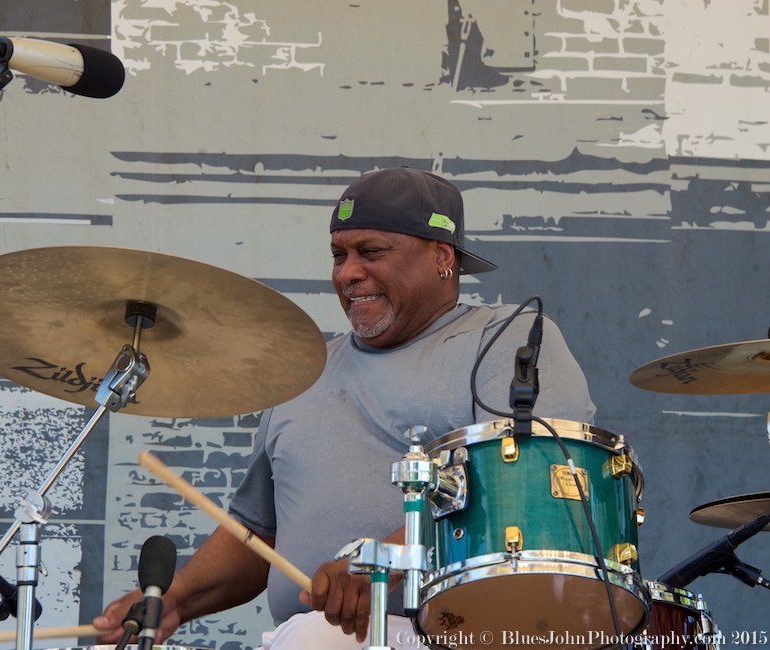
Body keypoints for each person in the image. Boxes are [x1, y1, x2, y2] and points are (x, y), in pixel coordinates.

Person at [94, 167, 596, 649]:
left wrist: (380, 563)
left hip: (461, 633)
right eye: (338, 255)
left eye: (371, 253)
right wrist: (176, 598)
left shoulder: (503, 338)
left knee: (319, 638)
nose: (348, 273)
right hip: (311, 634)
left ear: (443, 256)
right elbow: (259, 534)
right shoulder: (305, 370)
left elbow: (529, 486)